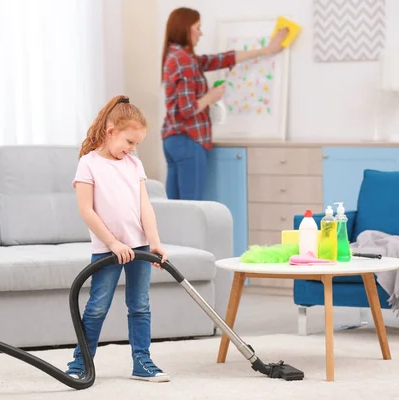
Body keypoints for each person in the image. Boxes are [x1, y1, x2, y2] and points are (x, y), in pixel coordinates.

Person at [65, 94, 170, 382]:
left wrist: (155, 241)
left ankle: (142, 362)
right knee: (97, 307)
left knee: (140, 306)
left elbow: (145, 206)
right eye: (129, 143)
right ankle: (80, 364)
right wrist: (113, 243)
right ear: (111, 132)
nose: (132, 149)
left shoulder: (134, 165)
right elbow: (86, 210)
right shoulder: (89, 164)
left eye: (136, 144)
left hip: (140, 248)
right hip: (108, 250)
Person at [161, 7, 289, 200]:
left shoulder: (176, 57)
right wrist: (210, 96)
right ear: (185, 29)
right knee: (192, 206)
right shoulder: (184, 60)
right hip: (188, 139)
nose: (201, 33)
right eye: (198, 28)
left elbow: (220, 59)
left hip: (172, 141)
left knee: (175, 208)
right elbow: (187, 109)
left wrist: (267, 50)